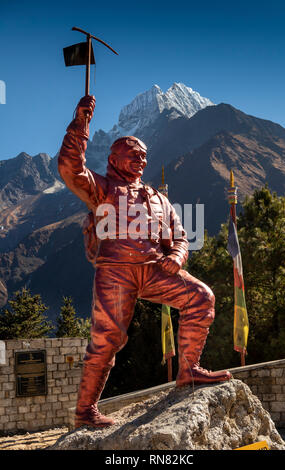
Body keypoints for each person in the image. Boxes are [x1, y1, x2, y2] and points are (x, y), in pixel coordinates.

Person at [58, 95, 231, 429]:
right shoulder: (102, 188)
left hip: (154, 270)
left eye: (144, 155)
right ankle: (85, 412)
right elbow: (70, 167)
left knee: (201, 297)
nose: (140, 159)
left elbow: (180, 237)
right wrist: (80, 124)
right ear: (114, 159)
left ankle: (188, 371)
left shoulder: (159, 199)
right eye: (132, 154)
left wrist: (177, 258)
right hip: (115, 273)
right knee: (107, 339)